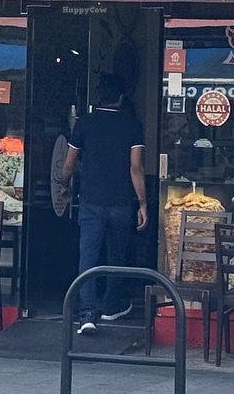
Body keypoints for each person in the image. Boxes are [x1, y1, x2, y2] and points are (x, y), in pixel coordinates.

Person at [59, 73, 148, 335]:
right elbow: (135, 167)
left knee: (88, 256)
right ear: (121, 98)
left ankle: (87, 314)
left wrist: (63, 184)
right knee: (116, 255)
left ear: (98, 96)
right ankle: (111, 306)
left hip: (90, 201)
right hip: (121, 202)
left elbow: (68, 163)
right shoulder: (132, 125)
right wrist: (143, 203)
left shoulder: (84, 123)